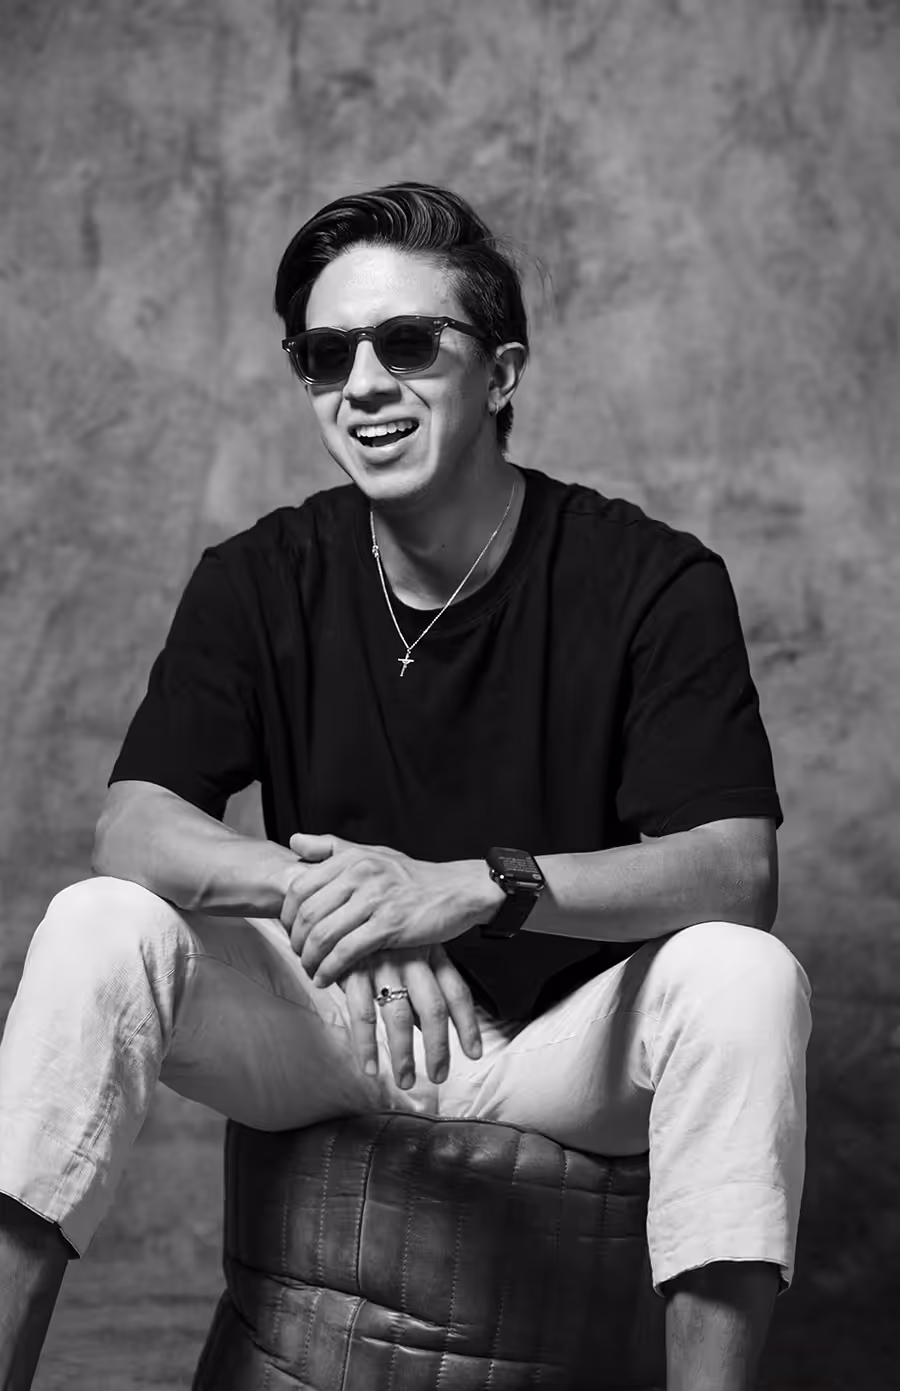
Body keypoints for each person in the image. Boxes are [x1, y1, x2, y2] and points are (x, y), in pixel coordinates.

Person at [0, 181, 811, 1391]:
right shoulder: (260, 574)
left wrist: (469, 891)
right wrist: (339, 897)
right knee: (94, 921)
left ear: (501, 372)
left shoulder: (650, 578)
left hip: (560, 1039)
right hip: (337, 1020)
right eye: (326, 356)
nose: (363, 383)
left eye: (409, 342)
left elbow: (734, 868)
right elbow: (135, 824)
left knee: (748, 975)